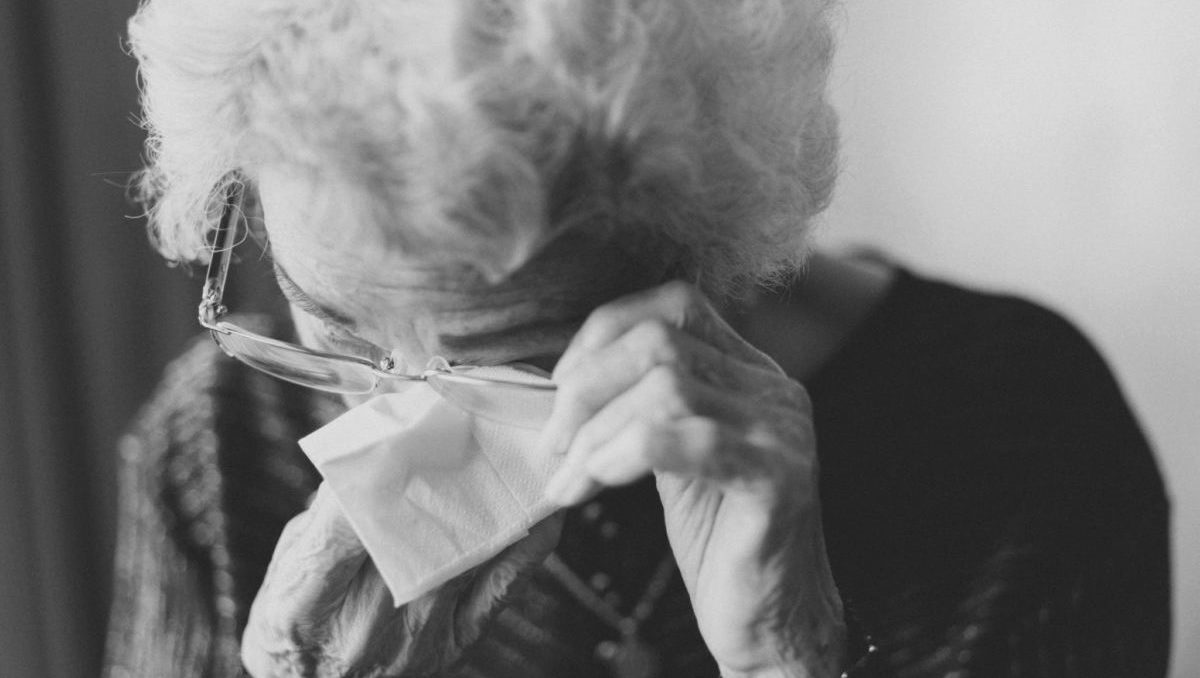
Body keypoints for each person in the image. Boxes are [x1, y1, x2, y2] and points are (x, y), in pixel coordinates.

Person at [104, 1, 1170, 676]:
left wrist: (789, 659)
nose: (398, 424)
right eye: (330, 326)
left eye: (502, 364)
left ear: (710, 250)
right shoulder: (213, 448)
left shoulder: (1018, 427)